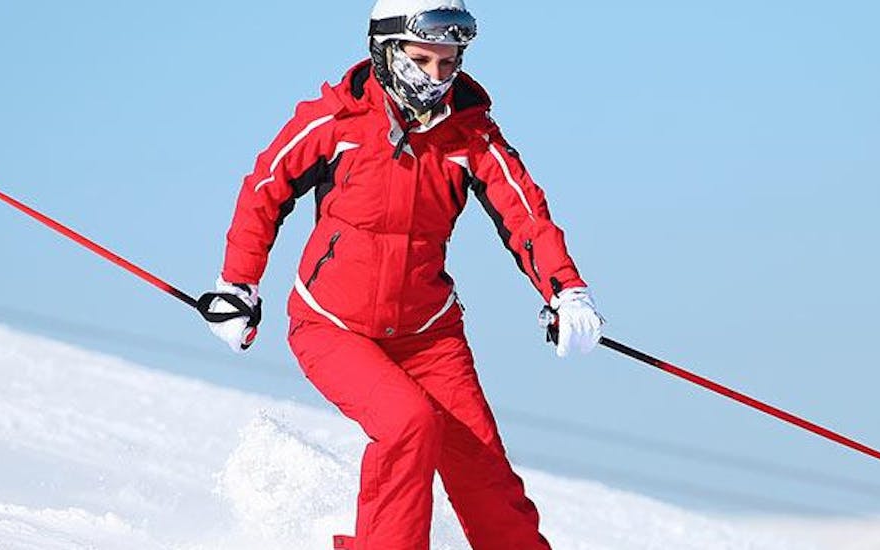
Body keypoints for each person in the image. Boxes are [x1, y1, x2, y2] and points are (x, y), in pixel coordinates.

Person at [196, 1, 603, 548]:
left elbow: (525, 214)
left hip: (429, 335)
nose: (436, 77)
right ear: (386, 51)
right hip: (332, 327)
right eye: (422, 60)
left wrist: (566, 291)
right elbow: (264, 190)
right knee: (408, 425)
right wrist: (238, 285)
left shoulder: (471, 137)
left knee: (483, 470)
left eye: (448, 62)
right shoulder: (335, 121)